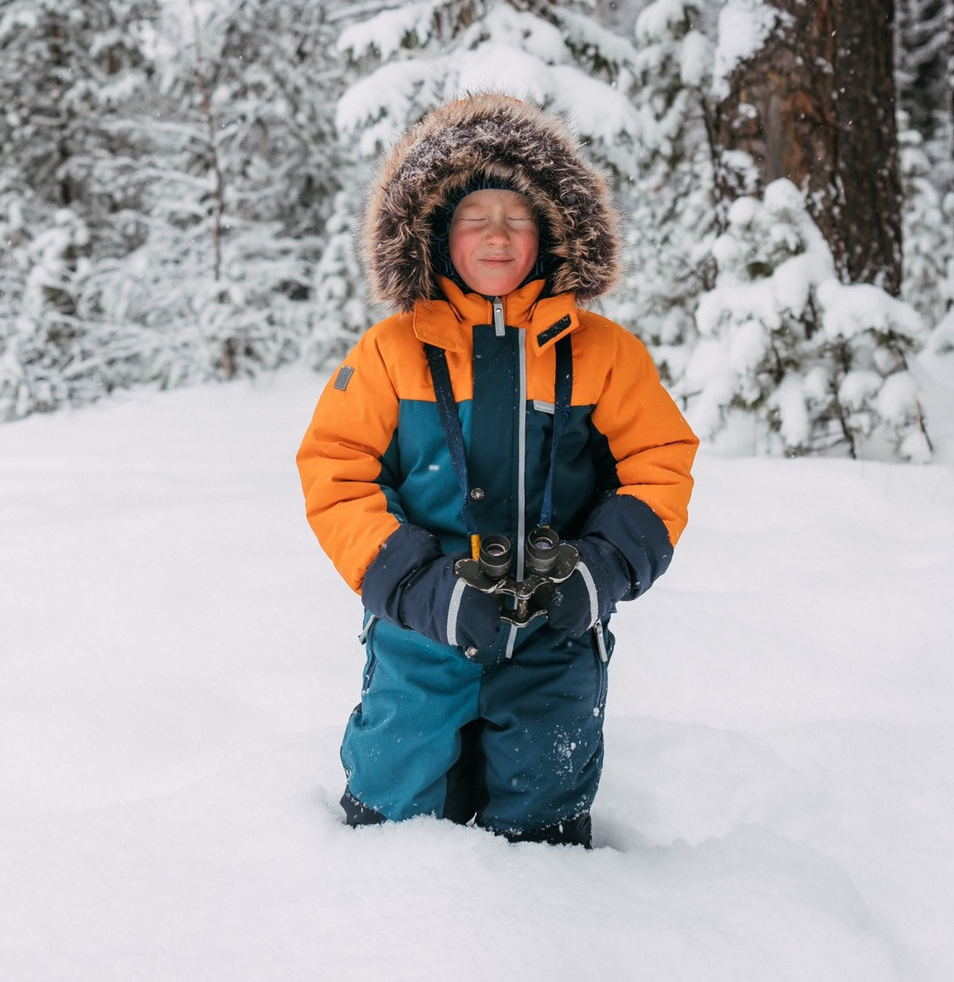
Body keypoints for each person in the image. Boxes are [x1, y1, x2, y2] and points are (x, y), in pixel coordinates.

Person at [297, 93, 698, 847]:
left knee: (545, 819)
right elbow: (336, 472)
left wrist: (602, 568)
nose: (497, 235)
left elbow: (659, 463)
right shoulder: (390, 353)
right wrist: (416, 585)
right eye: (475, 218)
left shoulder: (605, 354)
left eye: (517, 218)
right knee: (391, 815)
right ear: (435, 236)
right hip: (421, 631)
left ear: (551, 235)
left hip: (558, 633)